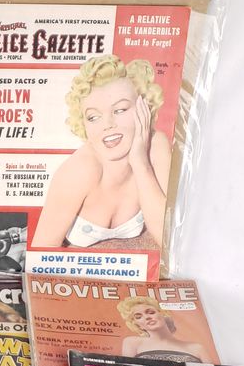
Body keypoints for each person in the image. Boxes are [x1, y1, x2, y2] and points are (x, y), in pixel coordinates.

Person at [32, 55, 171, 249]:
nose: (107, 125)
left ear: (144, 107)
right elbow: (40, 257)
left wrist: (140, 163)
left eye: (120, 110)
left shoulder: (156, 146)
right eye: (93, 117)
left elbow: (168, 240)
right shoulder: (79, 170)